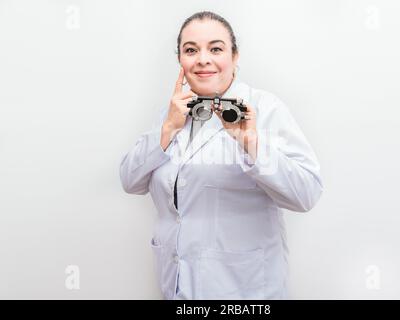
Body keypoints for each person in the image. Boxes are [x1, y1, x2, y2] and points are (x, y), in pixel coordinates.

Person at [119, 11, 323, 300]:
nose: (203, 59)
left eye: (216, 48)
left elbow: (307, 193)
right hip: (177, 288)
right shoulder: (171, 114)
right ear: (180, 60)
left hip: (244, 290)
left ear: (235, 56)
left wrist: (250, 143)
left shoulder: (266, 108)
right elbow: (130, 180)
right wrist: (168, 129)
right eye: (191, 50)